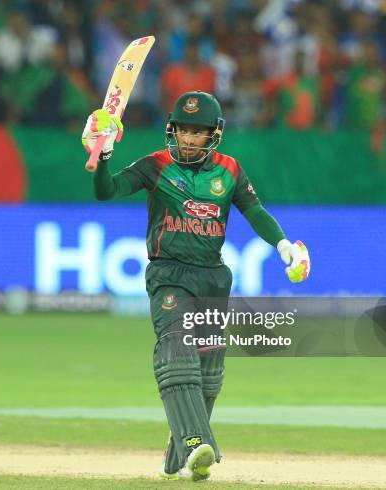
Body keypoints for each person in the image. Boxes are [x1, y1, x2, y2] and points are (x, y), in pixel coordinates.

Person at [81, 91, 311, 481]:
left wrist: (284, 245)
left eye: (198, 132)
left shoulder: (230, 170)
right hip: (169, 273)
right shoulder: (155, 165)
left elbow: (254, 211)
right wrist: (102, 153)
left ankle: (176, 462)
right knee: (177, 351)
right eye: (183, 131)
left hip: (211, 277)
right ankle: (195, 443)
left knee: (209, 375)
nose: (189, 139)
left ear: (213, 135)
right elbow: (106, 190)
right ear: (172, 130)